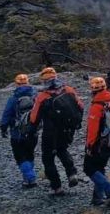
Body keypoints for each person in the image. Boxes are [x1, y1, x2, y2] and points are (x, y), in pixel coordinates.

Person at [29, 67, 84, 196]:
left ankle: (57, 187)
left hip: (50, 133)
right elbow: (80, 106)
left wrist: (32, 131)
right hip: (68, 130)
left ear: (43, 81)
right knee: (62, 150)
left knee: (48, 158)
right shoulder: (69, 90)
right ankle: (72, 174)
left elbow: (34, 118)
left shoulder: (42, 97)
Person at [84, 77, 110, 207]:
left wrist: (89, 146)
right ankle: (98, 198)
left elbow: (93, 130)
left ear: (92, 90)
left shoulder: (97, 106)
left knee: (89, 168)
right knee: (99, 168)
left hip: (98, 144)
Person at [0, 74, 39, 188]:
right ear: (28, 82)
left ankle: (31, 177)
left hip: (17, 133)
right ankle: (27, 179)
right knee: (29, 154)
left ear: (16, 84)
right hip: (33, 132)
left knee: (20, 156)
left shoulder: (14, 98)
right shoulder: (35, 96)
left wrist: (3, 128)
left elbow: (7, 114)